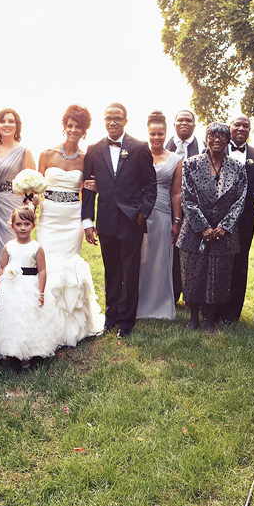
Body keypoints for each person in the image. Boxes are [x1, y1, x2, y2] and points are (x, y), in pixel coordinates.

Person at [82, 103, 157, 338]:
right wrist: (87, 221)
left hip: (131, 220)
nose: (112, 122)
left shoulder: (139, 148)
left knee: (130, 270)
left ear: (125, 121)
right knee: (110, 269)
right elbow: (87, 187)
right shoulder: (93, 150)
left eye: (117, 118)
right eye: (108, 119)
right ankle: (110, 317)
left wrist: (142, 212)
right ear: (104, 122)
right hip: (105, 221)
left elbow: (150, 185)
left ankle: (127, 322)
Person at [36, 104, 105, 344]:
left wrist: (95, 192)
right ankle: (46, 321)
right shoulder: (46, 154)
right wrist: (31, 200)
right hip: (49, 217)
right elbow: (37, 188)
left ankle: (71, 324)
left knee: (68, 265)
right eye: (70, 125)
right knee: (48, 263)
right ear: (64, 126)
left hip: (72, 217)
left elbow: (89, 191)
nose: (73, 130)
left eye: (78, 127)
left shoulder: (87, 159)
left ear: (84, 131)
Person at [177, 122, 246, 332]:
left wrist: (224, 226)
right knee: (193, 274)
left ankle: (210, 320)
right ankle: (193, 317)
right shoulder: (191, 164)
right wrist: (203, 227)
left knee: (219, 276)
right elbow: (187, 199)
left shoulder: (237, 167)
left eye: (222, 136)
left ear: (228, 140)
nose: (217, 139)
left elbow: (240, 200)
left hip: (224, 234)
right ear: (206, 138)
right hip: (195, 232)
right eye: (212, 135)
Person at [0, 205, 61, 366]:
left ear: (33, 226)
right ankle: (10, 350)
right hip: (11, 286)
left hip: (30, 287)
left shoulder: (37, 247)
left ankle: (26, 353)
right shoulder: (9, 246)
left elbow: (42, 271)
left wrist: (41, 293)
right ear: (12, 225)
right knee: (10, 318)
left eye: (26, 224)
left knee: (28, 318)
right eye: (19, 224)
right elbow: (2, 267)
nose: (22, 228)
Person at [136, 111, 183, 320]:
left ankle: (161, 307)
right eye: (153, 134)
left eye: (160, 134)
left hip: (163, 212)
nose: (156, 138)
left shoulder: (175, 160)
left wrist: (176, 221)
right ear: (147, 133)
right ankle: (137, 304)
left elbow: (176, 192)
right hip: (139, 214)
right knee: (140, 259)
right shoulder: (138, 154)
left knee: (160, 259)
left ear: (166, 134)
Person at [223, 114, 254, 322]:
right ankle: (212, 308)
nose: (241, 128)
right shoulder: (215, 149)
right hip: (217, 219)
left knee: (240, 265)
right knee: (217, 262)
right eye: (237, 124)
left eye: (246, 126)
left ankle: (233, 313)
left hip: (245, 220)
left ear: (250, 130)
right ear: (229, 127)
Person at [0, 108, 36, 272]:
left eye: (11, 121)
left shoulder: (24, 151)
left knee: (11, 246)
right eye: (3, 121)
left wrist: (29, 207)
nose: (7, 124)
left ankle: (14, 284)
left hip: (12, 206)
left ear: (17, 126)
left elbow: (32, 186)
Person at [164, 109, 203, 304]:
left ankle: (190, 295)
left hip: (195, 210)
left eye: (189, 121)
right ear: (175, 124)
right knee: (168, 251)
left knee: (190, 253)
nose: (184, 123)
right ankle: (169, 294)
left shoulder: (203, 147)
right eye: (181, 120)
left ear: (194, 125)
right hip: (166, 207)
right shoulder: (163, 145)